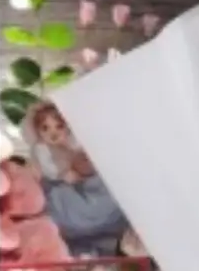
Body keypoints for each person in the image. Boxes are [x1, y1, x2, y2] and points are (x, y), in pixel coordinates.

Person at [22, 99, 132, 255]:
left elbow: (84, 156)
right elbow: (50, 170)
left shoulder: (72, 141)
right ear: (37, 131)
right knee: (67, 204)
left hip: (83, 181)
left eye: (59, 126)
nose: (53, 133)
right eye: (45, 128)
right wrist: (64, 173)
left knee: (104, 193)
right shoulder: (42, 149)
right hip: (59, 185)